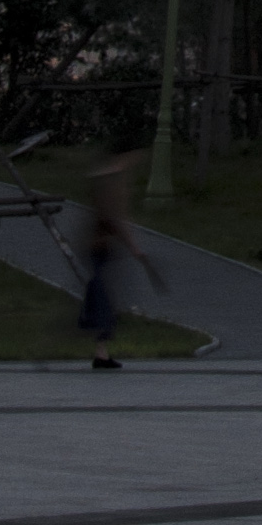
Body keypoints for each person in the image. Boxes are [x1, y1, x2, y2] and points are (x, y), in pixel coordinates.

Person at [75, 155, 159, 369]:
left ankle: (101, 352)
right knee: (102, 299)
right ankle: (97, 346)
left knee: (101, 297)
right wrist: (134, 247)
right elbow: (114, 219)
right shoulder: (110, 185)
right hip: (99, 249)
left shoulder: (108, 184)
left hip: (102, 249)